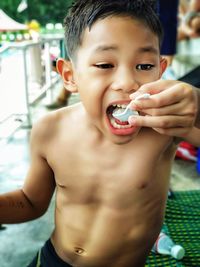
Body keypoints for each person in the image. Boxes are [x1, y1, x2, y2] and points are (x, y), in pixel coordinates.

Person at [0, 1, 200, 267]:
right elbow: (29, 202)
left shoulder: (164, 128)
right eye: (105, 64)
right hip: (53, 260)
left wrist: (197, 105)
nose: (128, 82)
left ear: (161, 71)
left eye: (144, 66)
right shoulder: (50, 131)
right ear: (70, 76)